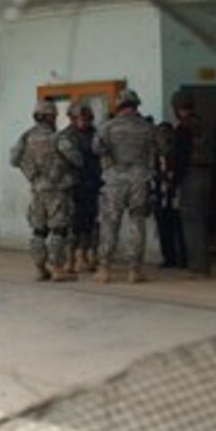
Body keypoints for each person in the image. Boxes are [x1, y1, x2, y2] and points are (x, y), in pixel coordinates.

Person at [9, 99, 82, 281]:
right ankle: (57, 268)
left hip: (38, 189)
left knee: (39, 230)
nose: (56, 118)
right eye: (54, 115)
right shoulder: (57, 137)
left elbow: (13, 159)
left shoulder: (26, 136)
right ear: (49, 116)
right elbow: (76, 159)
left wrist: (31, 170)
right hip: (58, 190)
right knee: (59, 229)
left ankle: (40, 268)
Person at [93, 88, 156, 284]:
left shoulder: (107, 127)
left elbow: (96, 148)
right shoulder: (147, 128)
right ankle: (134, 271)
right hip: (139, 179)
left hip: (114, 180)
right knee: (137, 223)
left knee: (110, 223)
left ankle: (104, 269)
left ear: (119, 105)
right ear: (136, 105)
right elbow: (159, 150)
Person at [172, 90, 213, 276]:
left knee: (190, 222)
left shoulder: (182, 129)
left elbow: (180, 158)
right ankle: (205, 264)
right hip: (206, 174)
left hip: (190, 175)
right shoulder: (205, 125)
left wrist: (174, 182)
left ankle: (197, 267)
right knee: (202, 221)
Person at [59, 100, 102, 274]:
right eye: (79, 118)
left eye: (86, 118)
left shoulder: (96, 134)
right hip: (72, 185)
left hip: (92, 184)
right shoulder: (65, 136)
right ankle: (70, 259)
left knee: (89, 223)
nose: (83, 122)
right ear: (72, 118)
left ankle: (84, 257)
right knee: (72, 224)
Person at [152, 121, 185, 268]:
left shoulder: (178, 153)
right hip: (161, 194)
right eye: (161, 134)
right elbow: (153, 172)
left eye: (167, 134)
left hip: (175, 193)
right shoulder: (155, 155)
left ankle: (182, 257)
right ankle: (168, 257)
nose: (164, 138)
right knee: (163, 227)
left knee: (178, 226)